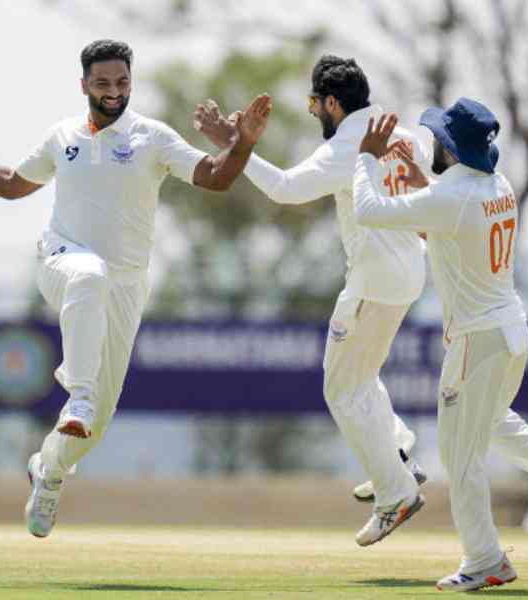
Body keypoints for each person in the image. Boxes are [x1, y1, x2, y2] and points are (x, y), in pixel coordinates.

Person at [0, 39, 270, 538]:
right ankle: (80, 395)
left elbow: (217, 178)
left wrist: (241, 142)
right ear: (84, 85)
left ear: (130, 82)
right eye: (102, 83)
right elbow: (11, 184)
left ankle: (49, 471)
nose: (113, 92)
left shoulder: (153, 137)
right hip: (61, 260)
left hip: (127, 284)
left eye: (121, 82)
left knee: (94, 429)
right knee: (87, 276)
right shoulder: (62, 135)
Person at [194, 55, 431, 547]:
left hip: (373, 281)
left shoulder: (348, 146)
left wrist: (237, 145)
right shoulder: (404, 133)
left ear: (331, 103)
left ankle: (396, 491)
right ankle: (399, 450)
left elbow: (283, 189)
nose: (313, 114)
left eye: (313, 104)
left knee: (340, 390)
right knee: (362, 376)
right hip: (410, 274)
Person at [352, 99, 528, 591]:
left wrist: (365, 157)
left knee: (459, 457)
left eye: (437, 136)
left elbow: (368, 211)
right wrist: (420, 184)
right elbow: (452, 229)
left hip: (477, 339)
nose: (430, 141)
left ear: (449, 148)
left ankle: (486, 559)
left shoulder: (450, 196)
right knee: (489, 425)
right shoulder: (499, 186)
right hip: (512, 331)